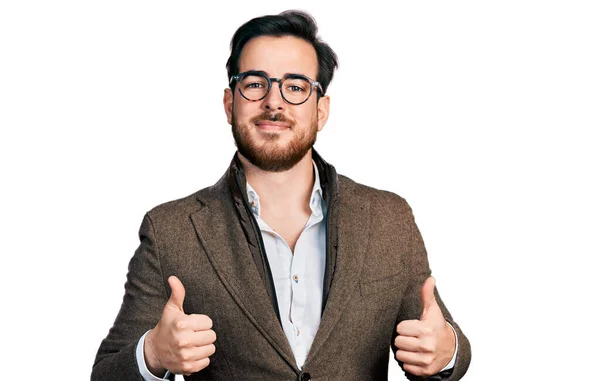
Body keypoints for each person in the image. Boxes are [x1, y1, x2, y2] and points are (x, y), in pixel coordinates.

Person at [91, 10, 471, 381]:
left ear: (320, 110)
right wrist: (154, 354)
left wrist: (446, 351)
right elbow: (106, 373)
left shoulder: (389, 217)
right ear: (230, 103)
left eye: (295, 87)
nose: (274, 102)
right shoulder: (170, 230)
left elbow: (437, 335)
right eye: (255, 84)